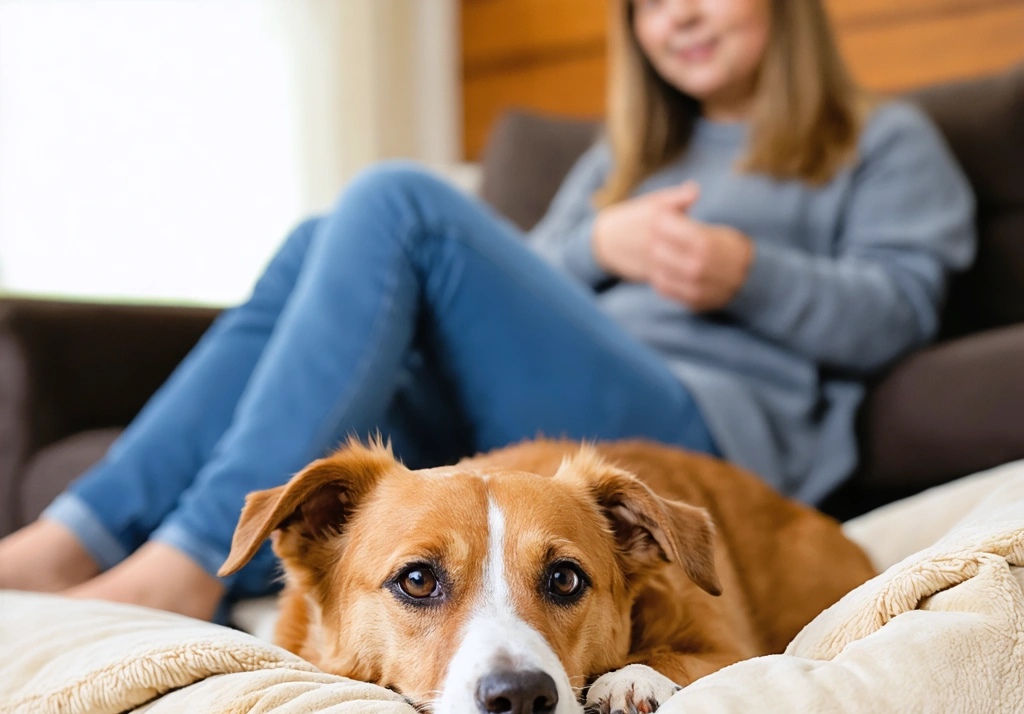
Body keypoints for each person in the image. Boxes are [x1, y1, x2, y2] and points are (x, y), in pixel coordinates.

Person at [0, 0, 975, 621]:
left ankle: (180, 565)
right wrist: (597, 245)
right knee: (315, 244)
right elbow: (538, 278)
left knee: (396, 200)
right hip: (513, 449)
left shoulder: (881, 141)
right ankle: (70, 537)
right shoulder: (621, 160)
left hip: (686, 430)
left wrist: (742, 270)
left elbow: (899, 315)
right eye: (646, 4)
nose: (674, 16)